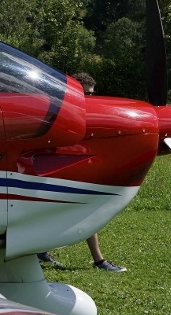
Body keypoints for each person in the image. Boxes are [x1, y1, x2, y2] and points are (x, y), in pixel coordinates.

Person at [39, 72, 127, 272]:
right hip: (56, 168)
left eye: (92, 95)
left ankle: (41, 252)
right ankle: (98, 261)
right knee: (84, 209)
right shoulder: (60, 111)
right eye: (86, 95)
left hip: (73, 168)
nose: (90, 100)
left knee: (80, 209)